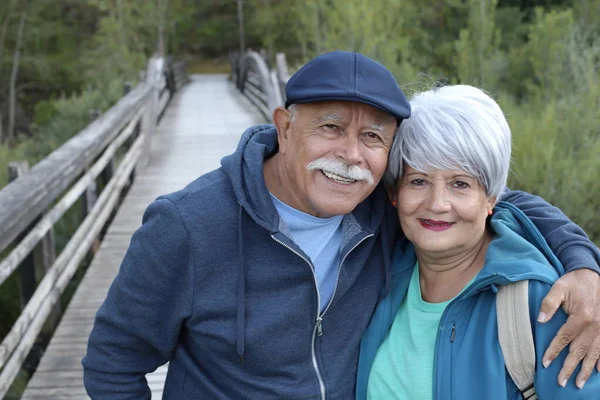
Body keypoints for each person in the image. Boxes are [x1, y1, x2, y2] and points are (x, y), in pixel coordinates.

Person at [82, 51, 600, 399]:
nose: (350, 156)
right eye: (331, 127)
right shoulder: (189, 227)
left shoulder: (386, 208)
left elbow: (499, 201)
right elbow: (113, 361)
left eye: (373, 138)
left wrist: (583, 266)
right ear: (284, 128)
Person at [356, 84, 600, 399]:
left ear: (492, 199)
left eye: (460, 184)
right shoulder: (379, 271)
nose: (437, 203)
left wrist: (586, 266)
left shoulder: (541, 301)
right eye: (419, 181)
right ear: (394, 194)